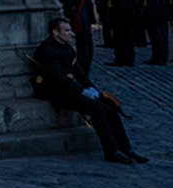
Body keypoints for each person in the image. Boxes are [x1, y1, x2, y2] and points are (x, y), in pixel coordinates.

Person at [32, 17, 146, 164]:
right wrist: (81, 90)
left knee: (108, 104)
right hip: (55, 91)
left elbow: (79, 73)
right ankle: (111, 150)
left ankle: (126, 148)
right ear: (55, 32)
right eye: (66, 30)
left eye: (70, 30)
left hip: (69, 88)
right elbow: (58, 78)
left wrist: (93, 89)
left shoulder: (68, 48)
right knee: (95, 107)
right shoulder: (47, 50)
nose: (71, 33)